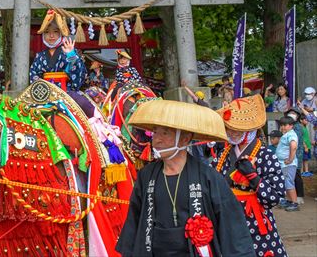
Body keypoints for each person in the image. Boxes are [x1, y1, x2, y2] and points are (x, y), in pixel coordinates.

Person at [116, 100, 255, 257]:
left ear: (185, 139)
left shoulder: (208, 177)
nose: (156, 140)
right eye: (155, 132)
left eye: (165, 133)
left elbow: (232, 227)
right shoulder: (146, 176)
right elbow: (134, 222)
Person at [213, 94, 288, 256]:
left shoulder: (266, 155)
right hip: (227, 219)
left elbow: (274, 197)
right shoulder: (225, 154)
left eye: (235, 128)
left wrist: (253, 177)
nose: (231, 132)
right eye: (229, 128)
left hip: (255, 221)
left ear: (249, 130)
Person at [29, 9, 87, 92]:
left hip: (66, 92)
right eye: (47, 32)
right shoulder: (40, 56)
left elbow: (78, 74)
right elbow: (33, 75)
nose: (51, 35)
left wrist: (71, 55)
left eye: (55, 31)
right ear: (43, 35)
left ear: (60, 34)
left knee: (84, 103)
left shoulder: (69, 51)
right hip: (45, 92)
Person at [275, 116, 299, 212]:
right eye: (282, 125)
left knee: (289, 183)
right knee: (286, 182)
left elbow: (293, 146)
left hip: (288, 164)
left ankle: (294, 203)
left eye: (285, 125)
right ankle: (289, 201)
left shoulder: (291, 134)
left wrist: (290, 159)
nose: (283, 127)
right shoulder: (287, 134)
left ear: (291, 125)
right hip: (284, 164)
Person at [285, 107, 305, 204]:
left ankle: (300, 195)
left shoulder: (297, 127)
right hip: (289, 154)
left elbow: (294, 142)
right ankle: (293, 195)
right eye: (290, 113)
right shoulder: (289, 126)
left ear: (298, 116)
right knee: (290, 175)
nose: (292, 114)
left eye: (294, 113)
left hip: (296, 154)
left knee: (296, 175)